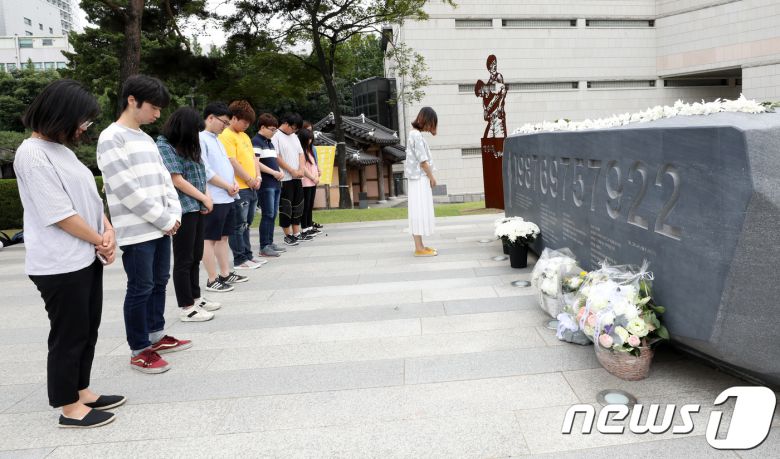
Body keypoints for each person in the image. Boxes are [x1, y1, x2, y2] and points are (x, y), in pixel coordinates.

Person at [15, 79, 123, 428]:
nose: (84, 128)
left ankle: (82, 389)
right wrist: (98, 238)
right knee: (69, 333)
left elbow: (88, 199)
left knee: (87, 328)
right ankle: (68, 406)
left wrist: (107, 230)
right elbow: (59, 213)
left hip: (83, 255)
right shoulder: (31, 154)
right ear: (61, 114)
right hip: (59, 262)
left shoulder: (62, 150)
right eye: (82, 120)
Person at [97, 75, 191, 374]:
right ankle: (139, 348)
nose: (158, 114)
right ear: (131, 101)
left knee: (159, 282)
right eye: (153, 107)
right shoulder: (112, 138)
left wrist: (173, 215)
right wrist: (164, 219)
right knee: (140, 287)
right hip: (137, 230)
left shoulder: (146, 138)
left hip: (162, 226)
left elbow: (165, 180)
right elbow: (125, 189)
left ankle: (155, 334)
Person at [157, 107, 219, 322]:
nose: (196, 135)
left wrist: (206, 197)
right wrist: (203, 198)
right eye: (194, 130)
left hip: (198, 206)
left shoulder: (189, 146)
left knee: (196, 256)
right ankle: (186, 306)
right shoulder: (165, 146)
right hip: (182, 208)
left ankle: (196, 297)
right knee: (184, 259)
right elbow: (177, 179)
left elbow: (201, 174)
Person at [200, 103, 247, 291]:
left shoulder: (217, 139)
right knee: (209, 239)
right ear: (210, 118)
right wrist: (228, 185)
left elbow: (224, 166)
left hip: (228, 196)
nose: (225, 126)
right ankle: (212, 279)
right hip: (215, 197)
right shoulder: (201, 138)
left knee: (223, 237)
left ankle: (225, 273)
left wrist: (232, 184)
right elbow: (205, 171)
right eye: (223, 122)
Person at [219, 100, 266, 269]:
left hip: (253, 186)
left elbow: (254, 159)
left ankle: (248, 255)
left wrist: (258, 177)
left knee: (247, 224)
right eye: (244, 121)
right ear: (233, 118)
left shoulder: (244, 136)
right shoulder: (226, 136)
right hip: (240, 187)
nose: (246, 125)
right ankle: (240, 259)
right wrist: (248, 179)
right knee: (238, 224)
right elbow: (232, 161)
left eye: (248, 123)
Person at [405, 107, 439, 257]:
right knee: (418, 211)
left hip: (417, 178)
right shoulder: (416, 135)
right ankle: (419, 248)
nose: (432, 126)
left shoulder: (415, 134)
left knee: (417, 211)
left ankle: (420, 246)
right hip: (419, 178)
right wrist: (432, 177)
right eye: (432, 123)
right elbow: (423, 161)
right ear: (427, 120)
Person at [252, 113, 287, 257]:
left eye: (275, 130)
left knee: (273, 214)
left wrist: (279, 172)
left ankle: (270, 242)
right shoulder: (256, 141)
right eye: (272, 129)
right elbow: (255, 162)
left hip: (275, 183)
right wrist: (273, 172)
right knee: (267, 214)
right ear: (262, 127)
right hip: (266, 184)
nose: (274, 132)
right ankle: (264, 246)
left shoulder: (269, 142)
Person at [273, 113, 308, 245]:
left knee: (298, 206)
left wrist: (300, 170)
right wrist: (292, 170)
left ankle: (296, 232)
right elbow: (276, 157)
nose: (294, 131)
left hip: (297, 177)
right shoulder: (276, 135)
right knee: (286, 206)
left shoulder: (294, 137)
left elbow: (301, 154)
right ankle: (287, 235)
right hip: (285, 178)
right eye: (293, 128)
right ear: (286, 123)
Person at [297, 128, 320, 238]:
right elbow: (303, 168)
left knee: (310, 205)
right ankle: (304, 228)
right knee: (305, 206)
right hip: (306, 182)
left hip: (313, 182)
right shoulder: (301, 151)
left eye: (311, 139)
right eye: (308, 139)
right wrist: (313, 177)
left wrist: (316, 176)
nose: (310, 141)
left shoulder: (310, 150)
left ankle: (309, 226)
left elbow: (314, 165)